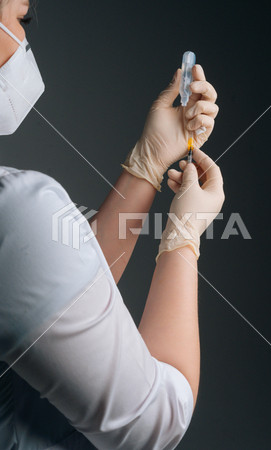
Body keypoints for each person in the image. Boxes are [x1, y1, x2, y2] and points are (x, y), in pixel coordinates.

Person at [0, 0, 224, 448]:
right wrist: (182, 241)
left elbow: (57, 298)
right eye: (17, 18)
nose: (25, 36)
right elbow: (156, 422)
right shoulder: (13, 211)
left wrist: (149, 161)